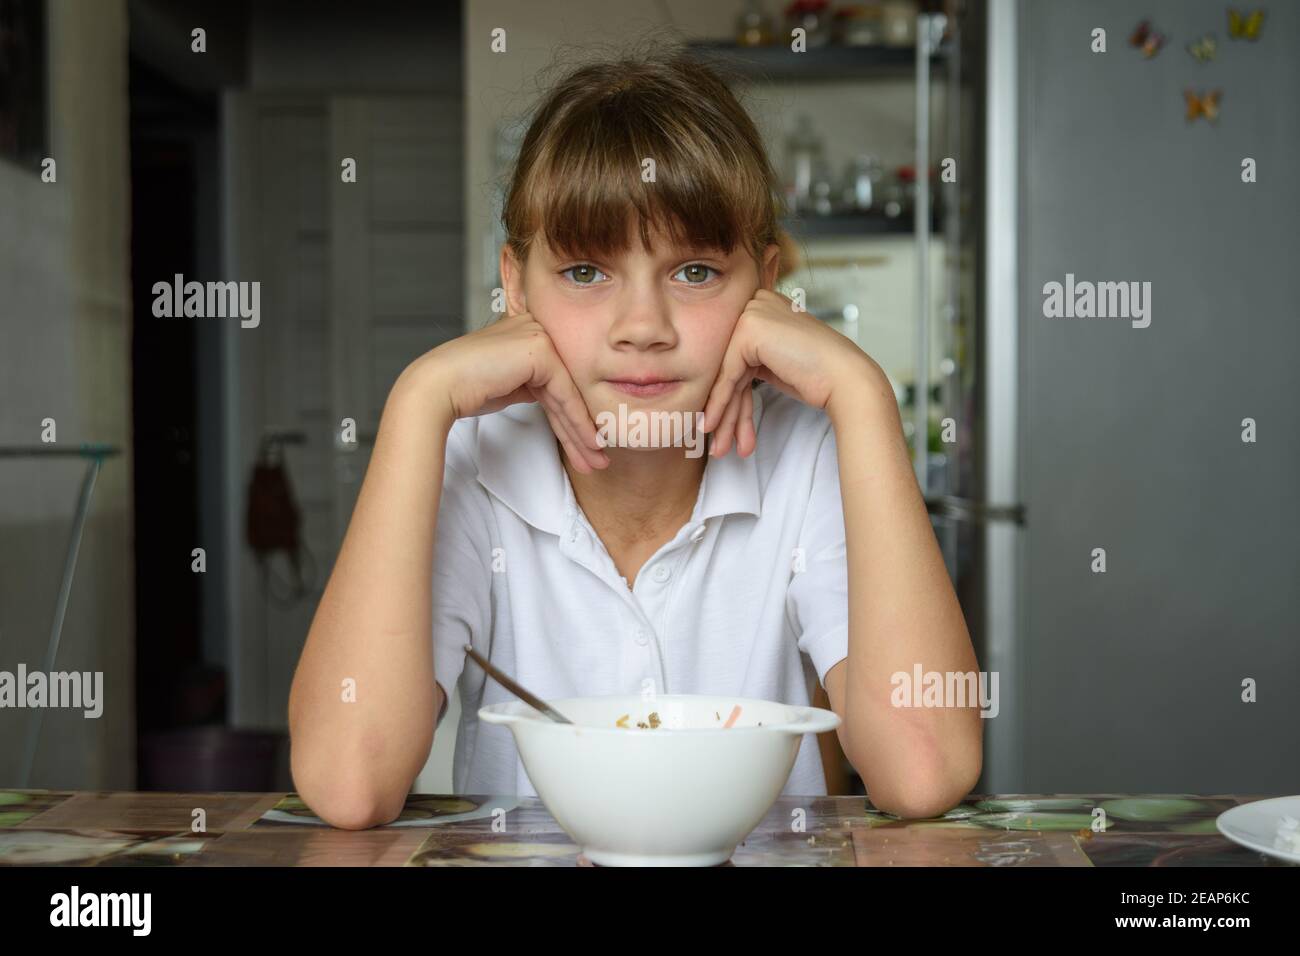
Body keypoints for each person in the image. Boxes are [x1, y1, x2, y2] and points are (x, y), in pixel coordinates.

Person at [288, 41, 981, 829]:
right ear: (515, 287)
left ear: (766, 284)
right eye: (586, 271)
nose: (642, 328)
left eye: (695, 272)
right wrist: (417, 403)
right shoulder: (470, 458)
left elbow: (923, 770)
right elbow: (347, 783)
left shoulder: (812, 451)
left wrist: (863, 397)